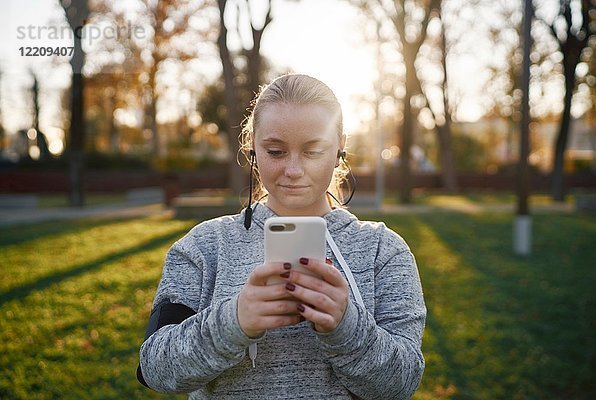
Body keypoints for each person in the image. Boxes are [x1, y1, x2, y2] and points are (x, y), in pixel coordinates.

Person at [137, 74, 426, 399]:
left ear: (341, 146)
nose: (293, 169)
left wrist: (346, 327)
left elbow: (402, 382)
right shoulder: (205, 246)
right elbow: (155, 367)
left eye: (313, 151)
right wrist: (235, 321)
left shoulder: (382, 250)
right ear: (252, 147)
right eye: (275, 151)